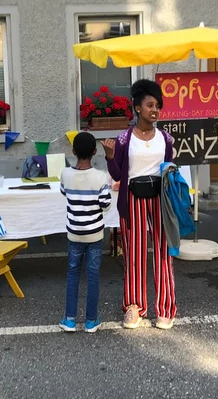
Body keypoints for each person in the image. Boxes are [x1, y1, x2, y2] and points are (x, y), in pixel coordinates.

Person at [102, 79, 177, 330]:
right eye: (149, 105)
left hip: (160, 199)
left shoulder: (165, 139)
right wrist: (110, 157)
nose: (154, 110)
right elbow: (116, 174)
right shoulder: (124, 139)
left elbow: (168, 168)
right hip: (132, 196)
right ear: (137, 108)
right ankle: (134, 307)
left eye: (157, 106)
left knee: (163, 252)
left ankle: (165, 308)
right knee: (134, 252)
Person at [58, 132, 112, 333]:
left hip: (74, 233)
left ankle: (70, 319)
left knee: (72, 273)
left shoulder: (65, 174)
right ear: (95, 152)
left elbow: (64, 192)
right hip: (95, 234)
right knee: (93, 274)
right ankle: (91, 320)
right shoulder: (100, 177)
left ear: (73, 151)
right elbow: (105, 205)